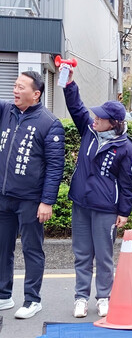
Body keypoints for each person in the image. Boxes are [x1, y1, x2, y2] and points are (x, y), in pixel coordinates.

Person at [63, 70, 132, 318]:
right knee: (82, 253)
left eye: (101, 117)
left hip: (106, 209)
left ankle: (103, 296)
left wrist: (124, 212)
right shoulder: (88, 131)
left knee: (104, 256)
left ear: (114, 123)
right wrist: (70, 82)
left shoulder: (127, 148)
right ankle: (81, 297)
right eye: (96, 115)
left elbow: (128, 184)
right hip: (81, 203)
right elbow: (76, 108)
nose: (95, 118)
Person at [0, 71, 65, 319]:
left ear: (36, 94)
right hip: (3, 195)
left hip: (30, 199)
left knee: (31, 249)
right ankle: (4, 295)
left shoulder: (49, 123)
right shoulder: (5, 111)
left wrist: (46, 201)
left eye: (21, 87)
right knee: (2, 247)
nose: (15, 90)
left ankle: (32, 299)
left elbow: (55, 166)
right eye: (14, 85)